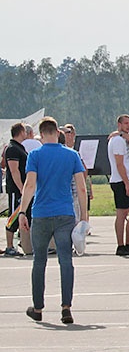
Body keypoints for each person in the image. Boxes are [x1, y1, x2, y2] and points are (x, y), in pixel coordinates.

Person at [19, 116, 88, 324]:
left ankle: (38, 307)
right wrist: (83, 216)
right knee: (65, 260)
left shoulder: (35, 155)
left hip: (41, 212)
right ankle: (66, 307)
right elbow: (81, 187)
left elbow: (30, 185)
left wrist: (22, 211)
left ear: (41, 135)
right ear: (58, 134)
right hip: (65, 213)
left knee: (39, 261)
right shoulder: (72, 155)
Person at [107, 114, 129, 256]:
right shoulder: (117, 141)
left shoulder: (124, 137)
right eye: (125, 123)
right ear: (119, 124)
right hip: (120, 180)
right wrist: (127, 184)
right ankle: (121, 245)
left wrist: (123, 133)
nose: (128, 125)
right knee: (121, 213)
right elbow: (119, 164)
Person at [4, 123, 28, 257]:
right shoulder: (12, 148)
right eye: (25, 131)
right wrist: (21, 188)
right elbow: (14, 171)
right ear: (21, 132)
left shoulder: (19, 147)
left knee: (21, 215)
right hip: (15, 189)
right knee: (13, 216)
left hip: (21, 188)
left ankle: (22, 243)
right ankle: (9, 246)